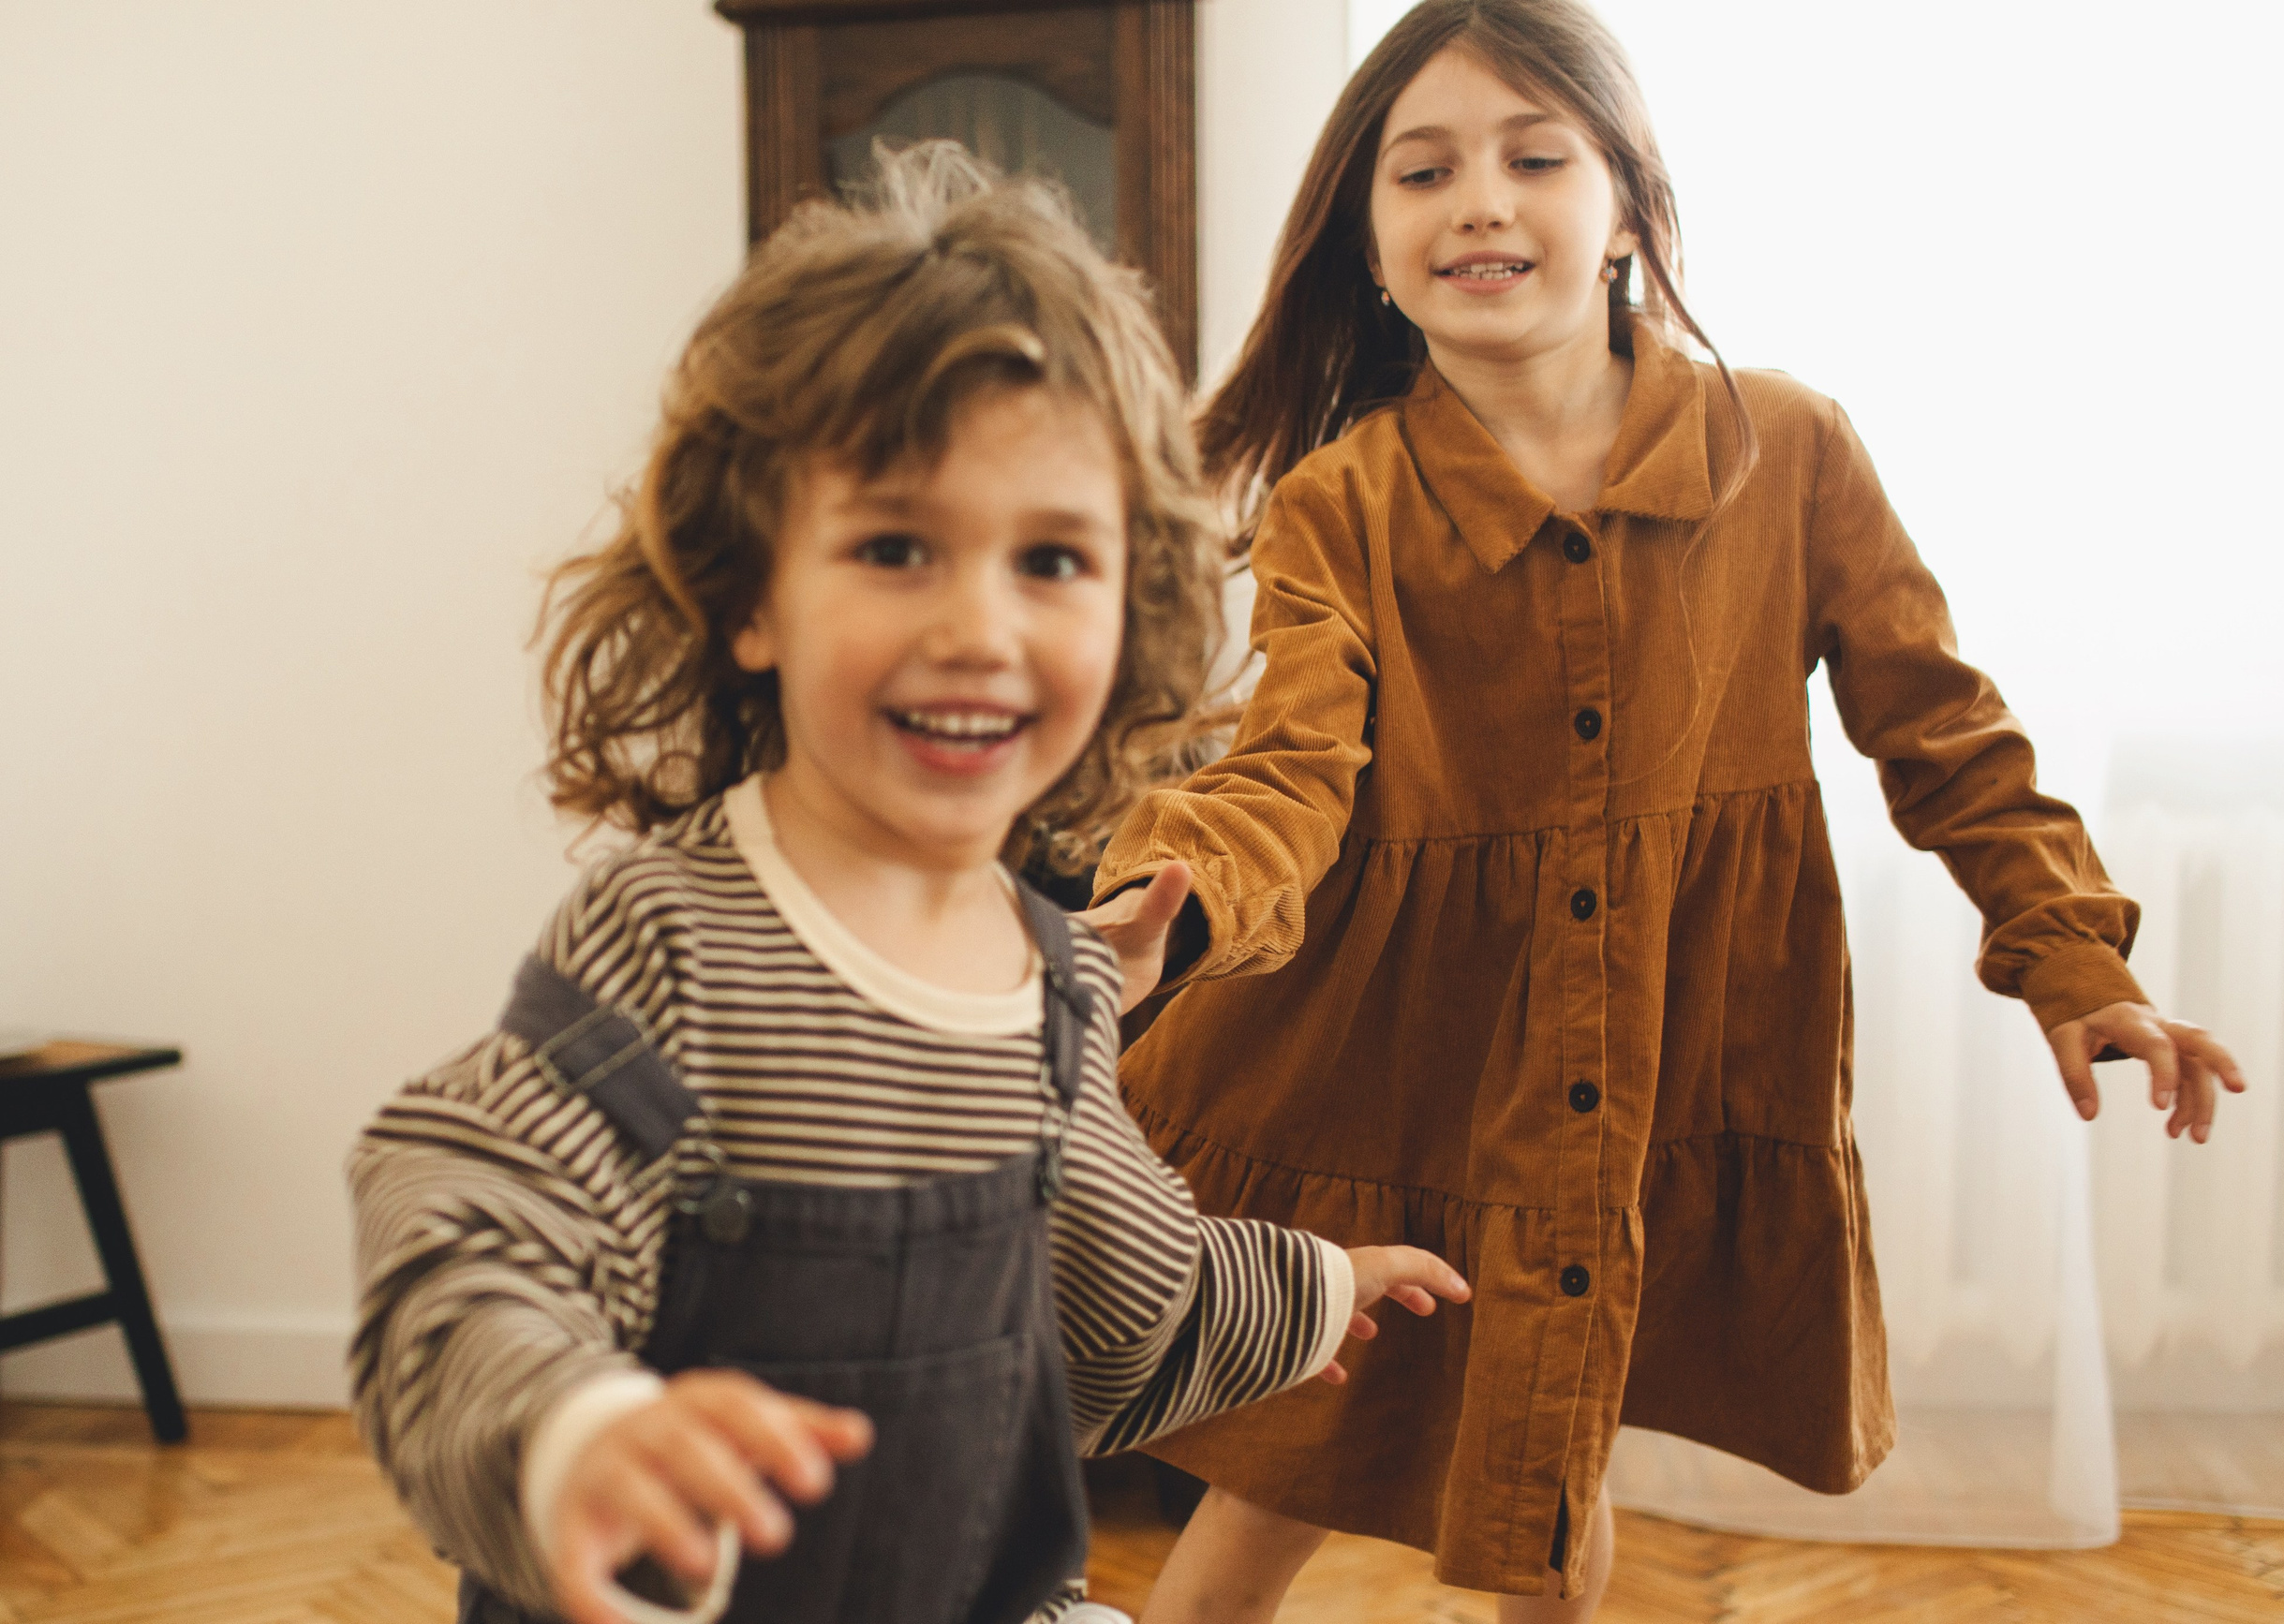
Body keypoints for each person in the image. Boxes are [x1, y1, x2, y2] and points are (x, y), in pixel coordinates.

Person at [1075, 3, 2248, 1619]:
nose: (1479, 199)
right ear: (1369, 238)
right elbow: (1292, 763)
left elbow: (1944, 728)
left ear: (1629, 204)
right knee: (1279, 1469)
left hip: (1647, 1055)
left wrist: (2077, 960)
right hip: (1385, 1071)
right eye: (1423, 171)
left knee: (1554, 1465)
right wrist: (1180, 890)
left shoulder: (1791, 451)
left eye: (1534, 156)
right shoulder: (1339, 500)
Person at [346, 142, 1470, 1624]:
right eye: (894, 547)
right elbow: (469, 1202)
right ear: (750, 593)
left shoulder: (1043, 980)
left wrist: (1317, 1287)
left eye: (1052, 560)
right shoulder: (675, 943)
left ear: (1129, 609)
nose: (979, 627)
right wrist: (572, 1429)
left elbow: (1132, 1286)